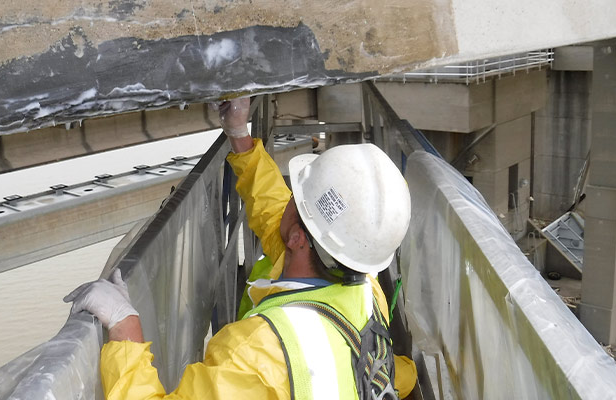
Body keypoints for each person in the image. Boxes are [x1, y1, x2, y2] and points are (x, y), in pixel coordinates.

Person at [65, 97, 417, 400]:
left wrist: (125, 327)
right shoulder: (366, 290)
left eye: (295, 195)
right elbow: (273, 212)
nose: (286, 198)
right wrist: (239, 136)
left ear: (299, 238)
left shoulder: (258, 352)